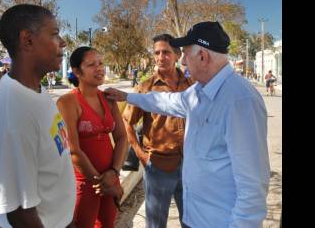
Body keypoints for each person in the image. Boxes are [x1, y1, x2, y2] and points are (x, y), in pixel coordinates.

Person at [104, 21, 270, 228]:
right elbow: (165, 102)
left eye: (185, 53)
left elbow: (253, 185)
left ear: (203, 56)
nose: (182, 59)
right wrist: (128, 96)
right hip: (196, 217)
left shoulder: (240, 100)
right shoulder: (199, 91)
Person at [0, 4, 76, 228]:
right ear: (27, 40)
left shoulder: (37, 92)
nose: (63, 42)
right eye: (54, 34)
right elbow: (20, 214)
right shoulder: (12, 112)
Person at [123, 33, 193, 228]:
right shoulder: (145, 88)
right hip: (158, 167)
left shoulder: (191, 85)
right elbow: (127, 122)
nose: (161, 57)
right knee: (156, 224)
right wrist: (141, 155)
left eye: (166, 52)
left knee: (192, 220)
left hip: (190, 166)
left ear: (178, 55)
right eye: (157, 53)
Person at [56, 46, 128, 228]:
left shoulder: (108, 98)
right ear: (77, 71)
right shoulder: (67, 102)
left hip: (111, 178)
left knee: (108, 225)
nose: (99, 68)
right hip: (85, 183)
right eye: (91, 65)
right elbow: (73, 150)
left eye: (101, 63)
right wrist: (100, 182)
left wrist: (114, 173)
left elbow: (121, 138)